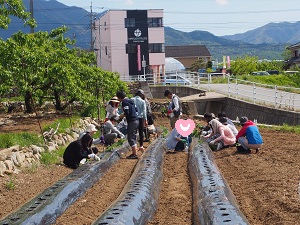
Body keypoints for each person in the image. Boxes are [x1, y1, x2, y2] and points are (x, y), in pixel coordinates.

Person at [116, 90, 139, 159]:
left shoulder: (124, 102)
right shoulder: (131, 100)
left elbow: (127, 112)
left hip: (132, 121)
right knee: (133, 136)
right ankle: (135, 152)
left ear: (120, 97)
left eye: (117, 98)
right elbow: (136, 110)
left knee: (130, 138)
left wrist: (119, 117)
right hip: (136, 120)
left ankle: (134, 154)